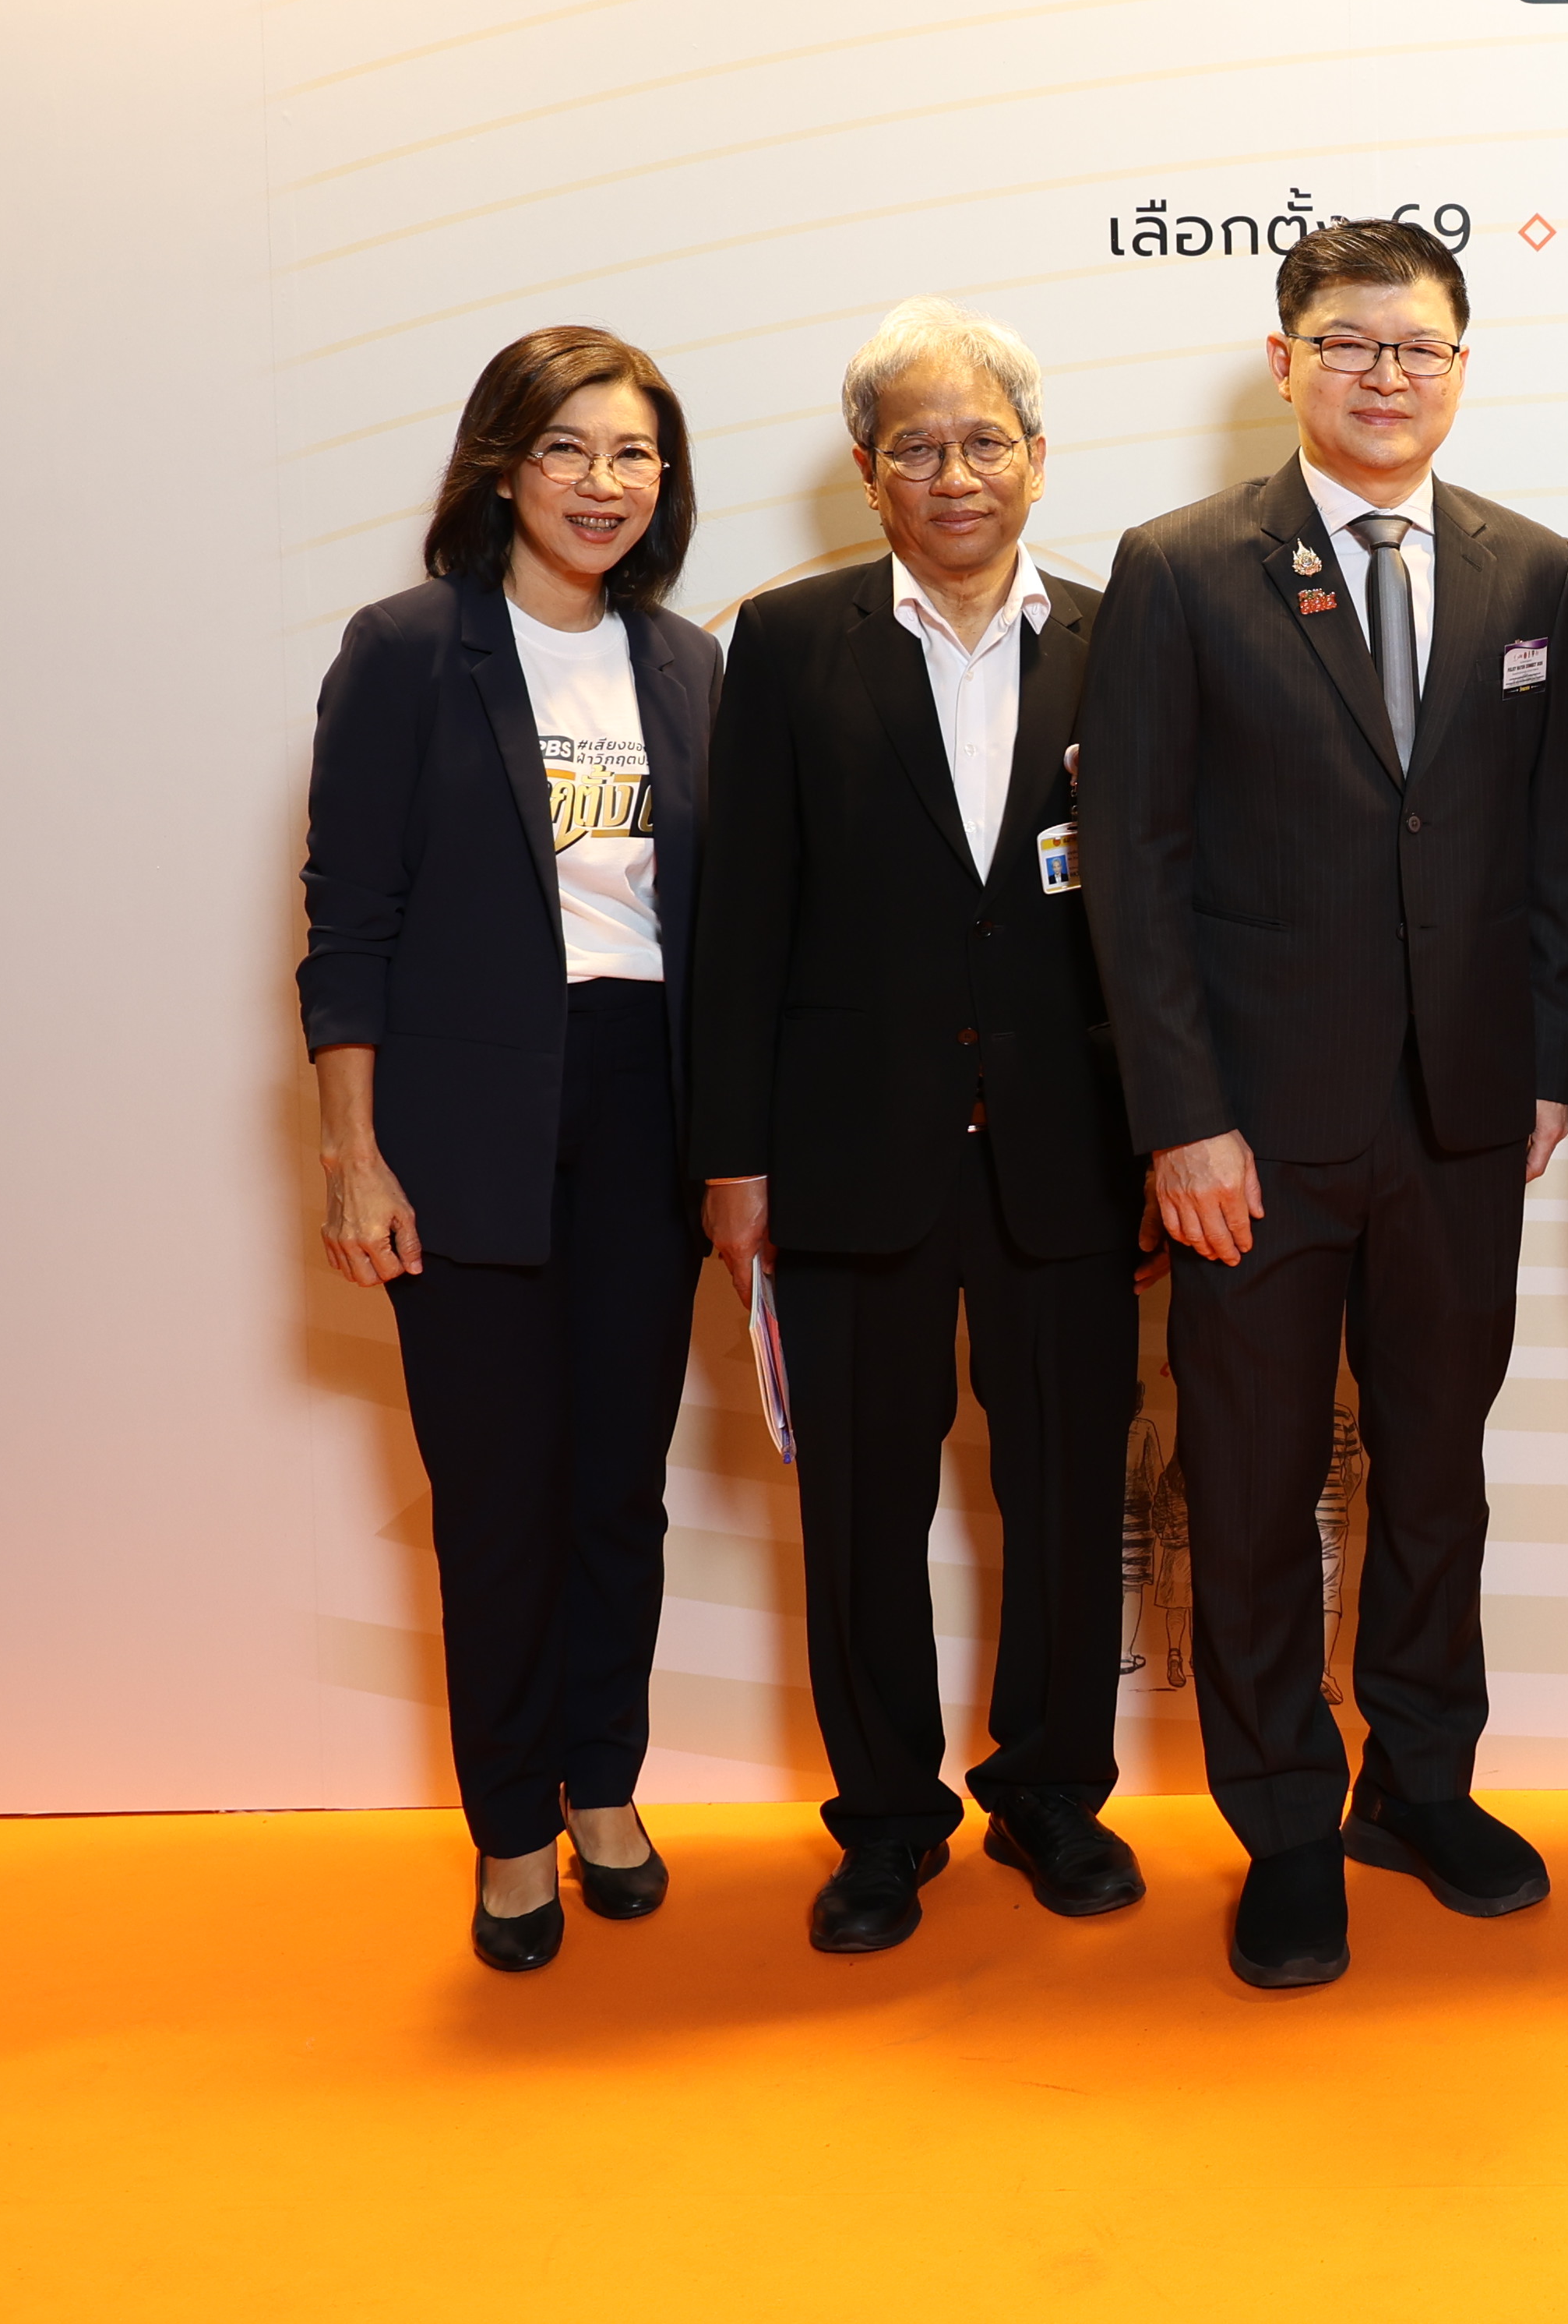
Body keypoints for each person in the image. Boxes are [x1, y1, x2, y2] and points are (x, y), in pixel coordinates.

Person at [1076, 220, 1568, 1991]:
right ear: (1285, 358)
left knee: (1438, 1470)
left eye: (1420, 345)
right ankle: (1288, 1825)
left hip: (1462, 1117)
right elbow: (1135, 866)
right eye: (1352, 343)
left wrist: (1544, 1064)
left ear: (1462, 366)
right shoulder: (1181, 566)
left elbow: (1552, 845)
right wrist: (1181, 1117)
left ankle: (1421, 1786)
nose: (1388, 374)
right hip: (1251, 1130)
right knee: (1250, 1483)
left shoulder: (1533, 569)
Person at [691, 300, 1152, 1956]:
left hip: (1070, 1156)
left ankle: (1053, 1793)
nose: (954, 474)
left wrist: (1169, 1135)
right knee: (862, 1512)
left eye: (983, 442)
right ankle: (885, 1821)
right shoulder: (787, 642)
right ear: (867, 469)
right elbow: (741, 916)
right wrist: (732, 1157)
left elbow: (1165, 915)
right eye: (917, 447)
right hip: (847, 1155)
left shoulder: (1123, 635)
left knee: (1065, 1493)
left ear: (1038, 457)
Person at [300, 326, 716, 1973]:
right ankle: (512, 1828)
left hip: (646, 1109)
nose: (603, 484)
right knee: (496, 1499)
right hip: (467, 1120)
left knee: (621, 1487)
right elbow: (351, 922)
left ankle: (603, 1783)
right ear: (502, 465)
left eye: (634, 453)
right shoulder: (409, 650)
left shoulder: (687, 665)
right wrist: (355, 1152)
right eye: (567, 449)